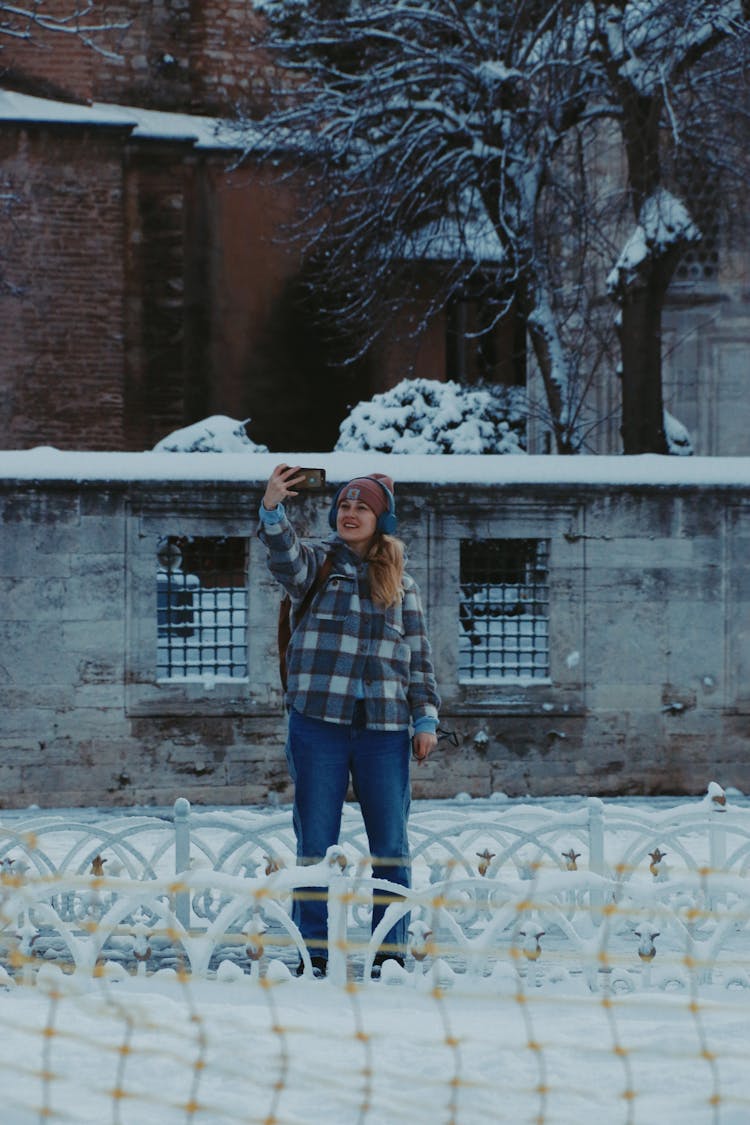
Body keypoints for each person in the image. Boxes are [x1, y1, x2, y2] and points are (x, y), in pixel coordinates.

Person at [258, 464, 440, 979]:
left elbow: (418, 656)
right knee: (315, 841)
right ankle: (312, 949)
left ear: (381, 519)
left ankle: (389, 952)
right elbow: (283, 554)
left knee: (391, 844)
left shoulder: (402, 583)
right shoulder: (315, 564)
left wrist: (425, 719)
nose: (350, 513)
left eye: (362, 506)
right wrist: (272, 508)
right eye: (344, 505)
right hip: (319, 722)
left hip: (385, 728)